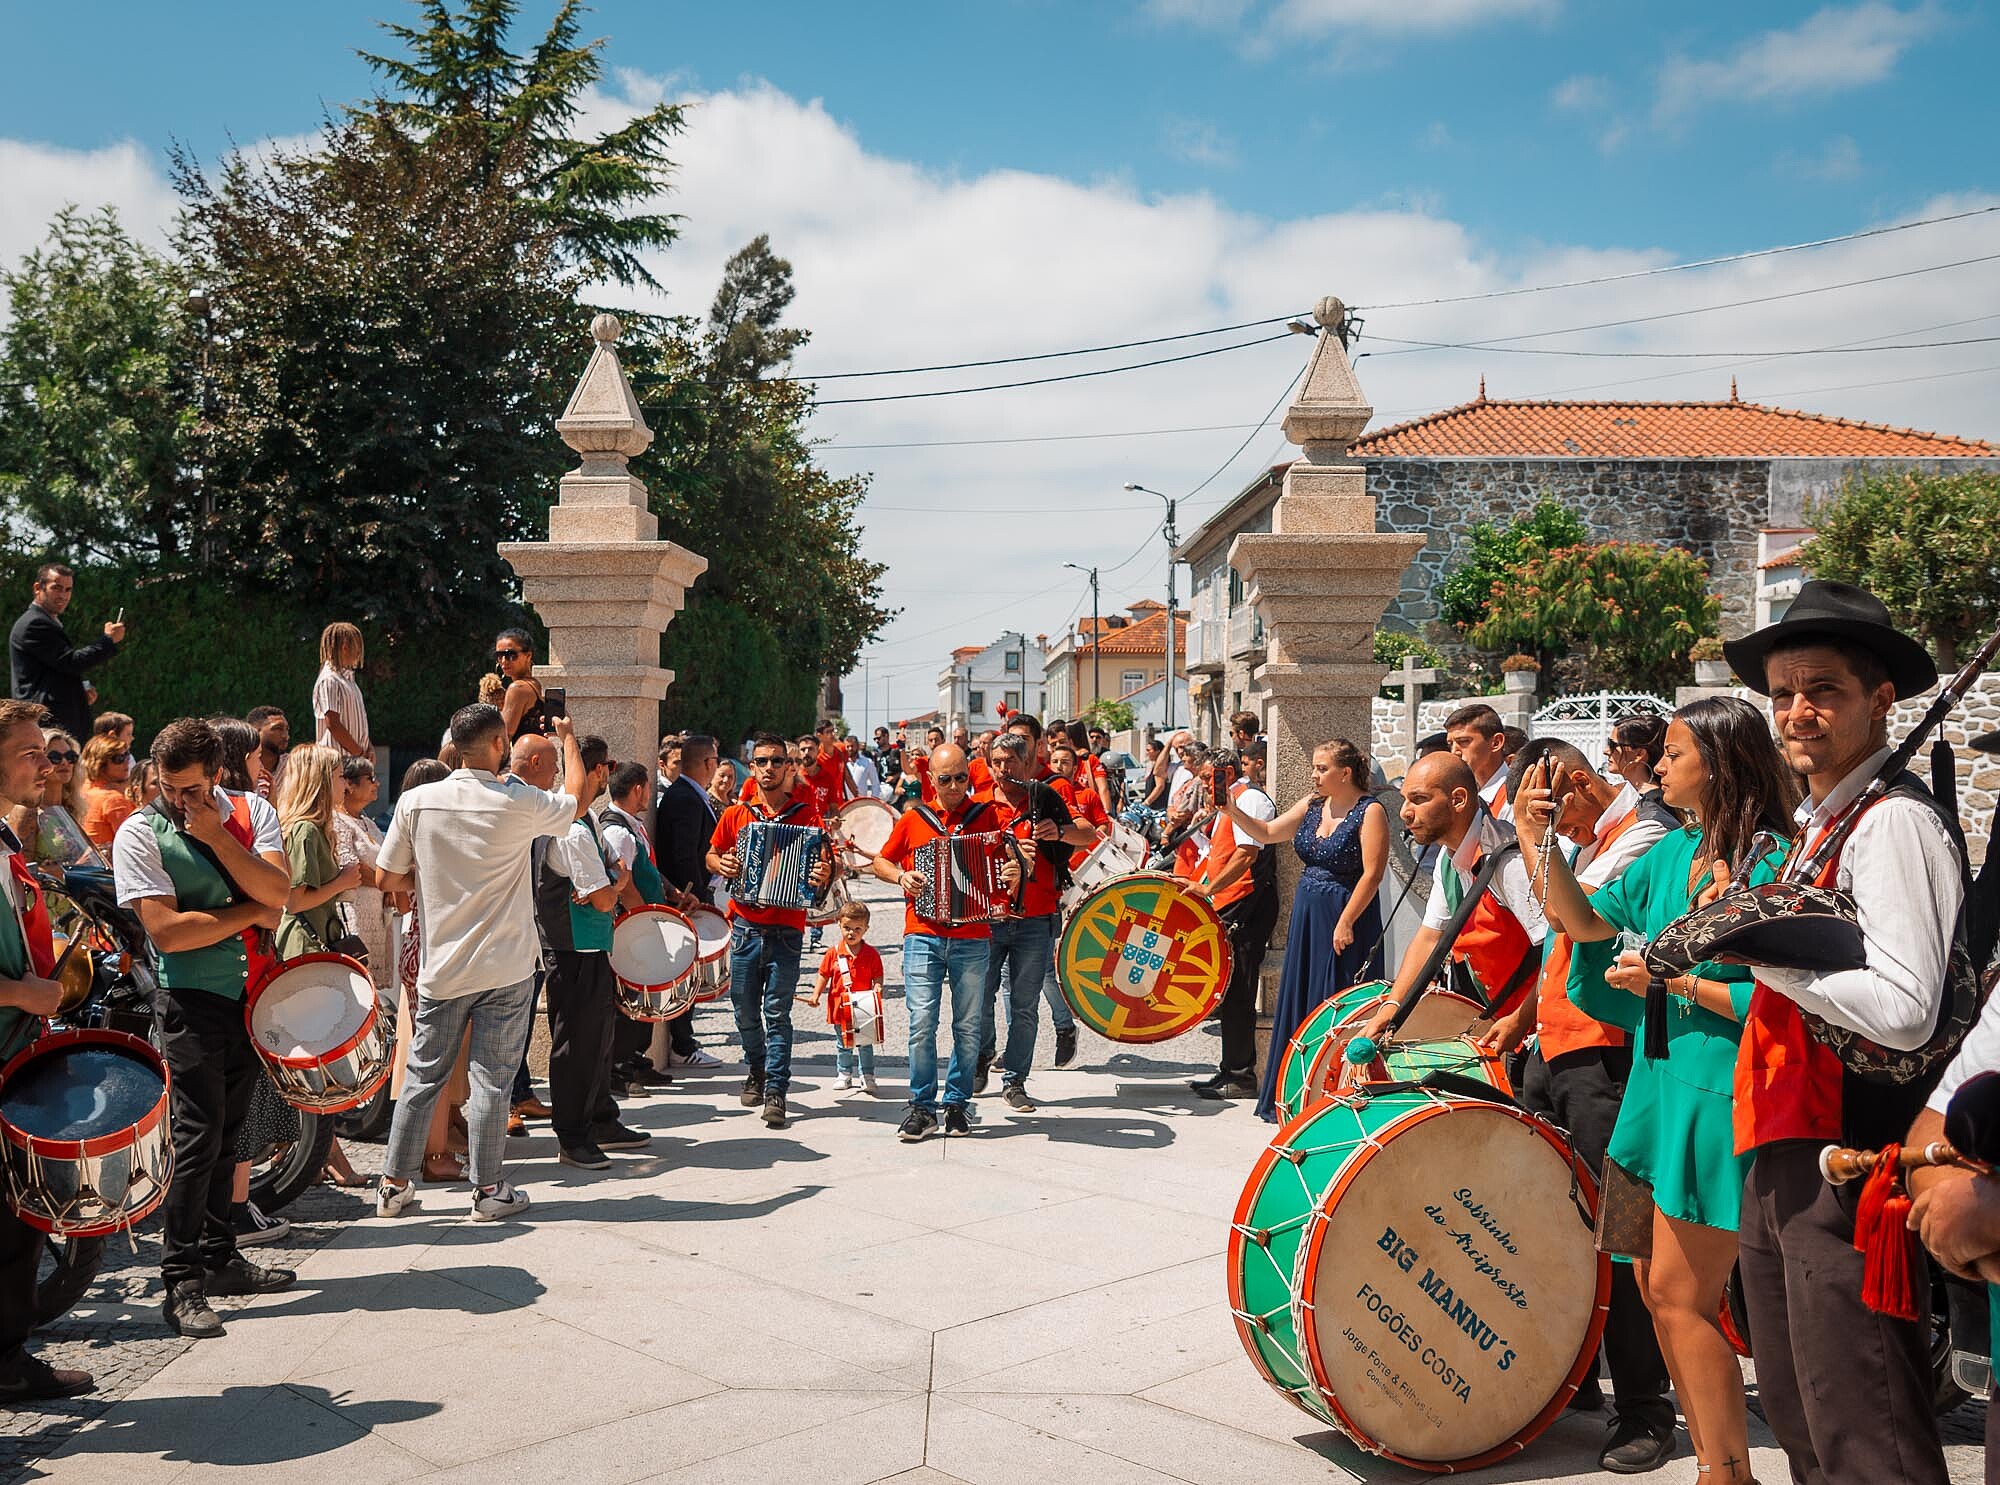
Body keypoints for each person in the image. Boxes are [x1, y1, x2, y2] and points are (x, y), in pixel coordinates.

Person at [1723, 581, 1963, 1485]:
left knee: (1865, 1425)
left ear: (1880, 700)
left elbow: (1907, 1009)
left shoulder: (1893, 821)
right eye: (1783, 692)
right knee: (1800, 1413)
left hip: (1846, 1152)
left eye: (1823, 689)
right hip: (1783, 1138)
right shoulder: (1823, 822)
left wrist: (1760, 952)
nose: (1797, 710)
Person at [1515, 709, 1796, 1483]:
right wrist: (1537, 839)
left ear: (1722, 760)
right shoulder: (1674, 850)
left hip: (1717, 1093)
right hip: (1655, 1087)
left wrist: (1674, 981)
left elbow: (1787, 1004)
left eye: (1672, 754)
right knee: (1649, 1282)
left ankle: (1725, 1472)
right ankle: (1716, 1460)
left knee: (1679, 1294)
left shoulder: (1773, 863)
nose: (1655, 767)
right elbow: (1581, 920)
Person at [1473, 737, 1679, 1471]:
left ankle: (1646, 1404)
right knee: (1550, 1221)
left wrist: (1537, 838)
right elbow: (1554, 940)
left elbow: (1570, 915)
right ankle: (1577, 1374)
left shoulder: (1647, 833)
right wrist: (1527, 1018)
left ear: (1582, 784)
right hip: (1558, 1051)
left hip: (1609, 1059)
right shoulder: (1593, 835)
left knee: (1617, 1231)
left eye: (1555, 796)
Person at [112, 717, 294, 1338]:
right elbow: (167, 931)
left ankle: (220, 1257)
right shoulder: (139, 830)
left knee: (231, 1133)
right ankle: (181, 1279)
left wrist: (219, 842)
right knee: (197, 1134)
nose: (178, 800)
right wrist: (250, 909)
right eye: (169, 787)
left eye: (191, 789)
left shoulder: (251, 812)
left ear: (217, 775)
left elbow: (281, 889)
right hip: (189, 999)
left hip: (251, 996)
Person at [373, 703, 586, 1222]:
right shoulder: (517, 799)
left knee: (423, 1077)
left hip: (442, 963)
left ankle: (393, 1185)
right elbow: (576, 801)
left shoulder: (417, 800)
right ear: (497, 745)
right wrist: (568, 739)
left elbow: (386, 879)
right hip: (506, 963)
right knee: (492, 1080)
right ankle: (489, 1191)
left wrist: (433, 885)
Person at [0, 700, 95, 1398]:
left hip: (16, 1055)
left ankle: (7, 1361)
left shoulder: (9, 838)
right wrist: (21, 995)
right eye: (32, 750)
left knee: (16, 1224)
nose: (49, 762)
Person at [1220, 738, 1389, 1122]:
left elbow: (1373, 873)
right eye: (1314, 767)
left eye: (1321, 768)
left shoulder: (1370, 811)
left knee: (1338, 1001)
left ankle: (1338, 1096)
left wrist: (1346, 920)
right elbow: (1265, 833)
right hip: (1308, 914)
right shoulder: (1312, 805)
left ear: (1345, 773)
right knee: (1304, 1001)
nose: (1314, 775)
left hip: (1347, 914)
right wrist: (1231, 809)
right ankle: (1298, 1096)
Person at [707, 733, 834, 1129]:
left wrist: (823, 874)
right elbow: (711, 853)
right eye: (761, 761)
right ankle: (757, 1069)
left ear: (788, 766)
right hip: (745, 926)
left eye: (776, 761)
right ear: (753, 765)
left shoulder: (807, 817)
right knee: (744, 1010)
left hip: (786, 930)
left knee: (777, 1012)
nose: (768, 768)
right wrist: (721, 865)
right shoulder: (737, 815)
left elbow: (824, 875)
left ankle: (777, 1089)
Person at [536, 736, 648, 1169]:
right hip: (573, 948)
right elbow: (603, 895)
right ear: (596, 771)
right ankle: (573, 1134)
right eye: (605, 766)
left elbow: (608, 879)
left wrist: (609, 881)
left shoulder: (587, 824)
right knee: (577, 1046)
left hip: (590, 944)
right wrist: (613, 884)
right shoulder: (571, 828)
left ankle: (599, 1117)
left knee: (597, 1042)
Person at [871, 744, 993, 1142]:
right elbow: (882, 861)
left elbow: (1004, 868)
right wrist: (901, 878)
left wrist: (1012, 868)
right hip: (922, 932)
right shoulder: (914, 819)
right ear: (930, 780)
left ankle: (957, 1103)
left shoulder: (986, 816)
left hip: (973, 935)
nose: (955, 786)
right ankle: (922, 1106)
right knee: (921, 1022)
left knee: (968, 1025)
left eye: (962, 777)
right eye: (946, 779)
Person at [982, 731, 1095, 1110]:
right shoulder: (980, 803)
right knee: (979, 999)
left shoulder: (1044, 797)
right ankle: (983, 1055)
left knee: (1025, 1005)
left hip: (1037, 914)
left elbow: (1089, 833)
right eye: (996, 762)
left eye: (1010, 762)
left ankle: (1014, 1080)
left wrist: (1058, 831)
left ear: (1027, 762)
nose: (1003, 770)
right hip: (991, 917)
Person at [1191, 742, 1280, 1100]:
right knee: (1230, 992)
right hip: (1230, 903)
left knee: (1240, 990)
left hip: (1246, 905)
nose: (1203, 785)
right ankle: (1229, 1067)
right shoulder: (1232, 802)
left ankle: (1241, 1074)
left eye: (1206, 777)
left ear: (1225, 773)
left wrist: (1210, 888)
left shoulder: (1249, 800)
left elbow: (1246, 855)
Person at [601, 759, 676, 1089]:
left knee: (644, 993)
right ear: (637, 789)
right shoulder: (617, 831)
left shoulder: (631, 826)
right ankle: (617, 1067)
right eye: (648, 787)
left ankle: (634, 1058)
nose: (650, 793)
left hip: (644, 921)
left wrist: (671, 892)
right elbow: (624, 884)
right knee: (629, 998)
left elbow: (646, 866)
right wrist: (646, 919)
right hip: (633, 926)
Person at [651, 733, 724, 1068]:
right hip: (687, 898)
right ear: (709, 763)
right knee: (686, 971)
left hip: (692, 894)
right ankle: (683, 1043)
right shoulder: (685, 798)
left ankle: (684, 1039)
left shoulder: (690, 794)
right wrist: (689, 891)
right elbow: (682, 853)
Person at [8, 563, 123, 741]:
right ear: (38, 588)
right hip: (47, 726)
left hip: (53, 723)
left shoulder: (44, 622)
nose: (63, 596)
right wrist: (107, 640)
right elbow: (71, 662)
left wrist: (78, 695)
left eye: (68, 590)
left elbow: (56, 672)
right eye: (57, 588)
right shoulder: (34, 624)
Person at [273, 744, 361, 961]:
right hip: (303, 946)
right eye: (340, 777)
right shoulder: (306, 830)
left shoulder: (315, 829)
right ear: (321, 782)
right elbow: (295, 902)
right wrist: (342, 882)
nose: (346, 785)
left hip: (314, 942)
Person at [810, 899, 883, 1093]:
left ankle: (867, 1075)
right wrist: (816, 995)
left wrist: (877, 988)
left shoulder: (871, 954)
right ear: (839, 925)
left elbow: (878, 975)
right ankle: (844, 1073)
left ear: (866, 929)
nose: (851, 933)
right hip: (840, 1008)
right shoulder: (833, 953)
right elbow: (823, 974)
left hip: (864, 1008)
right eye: (847, 928)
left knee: (865, 1043)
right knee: (843, 1044)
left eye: (857, 928)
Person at [1444, 702, 1512, 823]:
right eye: (1450, 744)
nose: (1454, 752)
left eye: (1464, 741)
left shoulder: (1513, 798)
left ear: (1496, 742)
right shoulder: (1463, 793)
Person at [312, 622, 371, 760]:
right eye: (357, 647)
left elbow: (359, 721)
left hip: (353, 758)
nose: (359, 653)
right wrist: (360, 753)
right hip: (338, 762)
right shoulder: (330, 680)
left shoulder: (348, 680)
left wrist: (369, 747)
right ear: (344, 647)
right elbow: (333, 723)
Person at [77, 731, 137, 847]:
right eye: (119, 759)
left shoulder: (82, 789)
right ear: (101, 764)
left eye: (127, 755)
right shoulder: (113, 800)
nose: (126, 761)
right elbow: (134, 842)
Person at [493, 629, 551, 742]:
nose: (504, 661)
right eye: (499, 656)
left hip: (525, 756)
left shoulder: (517, 688)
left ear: (528, 656)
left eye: (511, 655)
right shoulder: (537, 683)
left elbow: (504, 735)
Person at [1605, 712, 1668, 798]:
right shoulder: (1629, 794)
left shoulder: (1655, 802)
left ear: (1639, 754)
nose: (1606, 751)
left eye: (1613, 745)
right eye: (1608, 742)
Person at [245, 706, 289, 801]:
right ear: (255, 731)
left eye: (286, 729)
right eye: (278, 729)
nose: (285, 736)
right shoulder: (243, 767)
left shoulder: (293, 766)